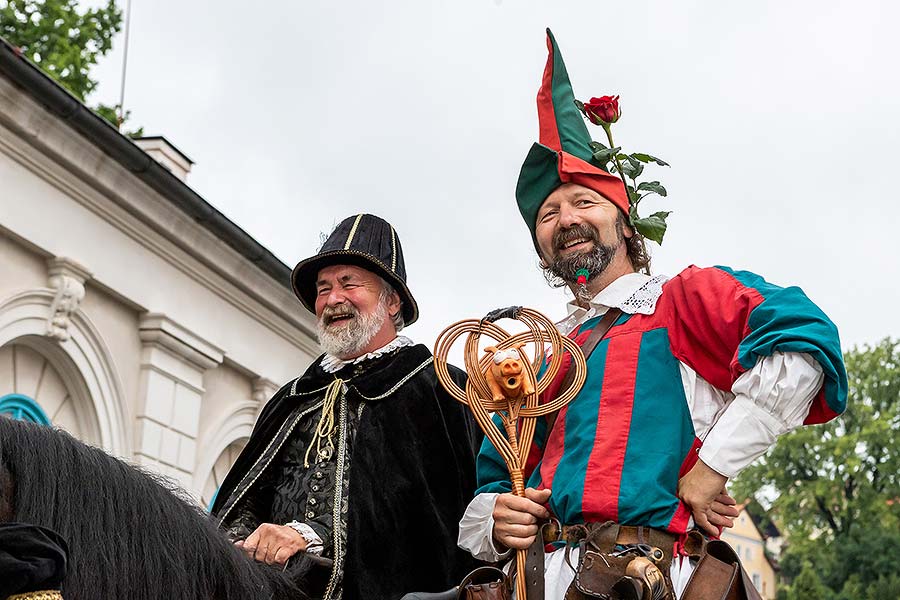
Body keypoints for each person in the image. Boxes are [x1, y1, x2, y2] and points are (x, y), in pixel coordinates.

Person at [457, 31, 847, 599]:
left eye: (584, 202)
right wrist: (496, 515)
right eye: (548, 213)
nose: (566, 219)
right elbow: (495, 474)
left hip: (654, 578)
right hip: (540, 581)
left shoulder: (682, 302)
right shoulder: (536, 354)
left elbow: (804, 343)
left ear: (626, 223)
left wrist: (711, 468)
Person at [212, 214, 481, 600]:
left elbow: (435, 519)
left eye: (348, 284)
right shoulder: (294, 398)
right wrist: (239, 546)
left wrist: (313, 536)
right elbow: (246, 498)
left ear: (392, 302)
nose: (333, 299)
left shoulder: (439, 389)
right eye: (323, 289)